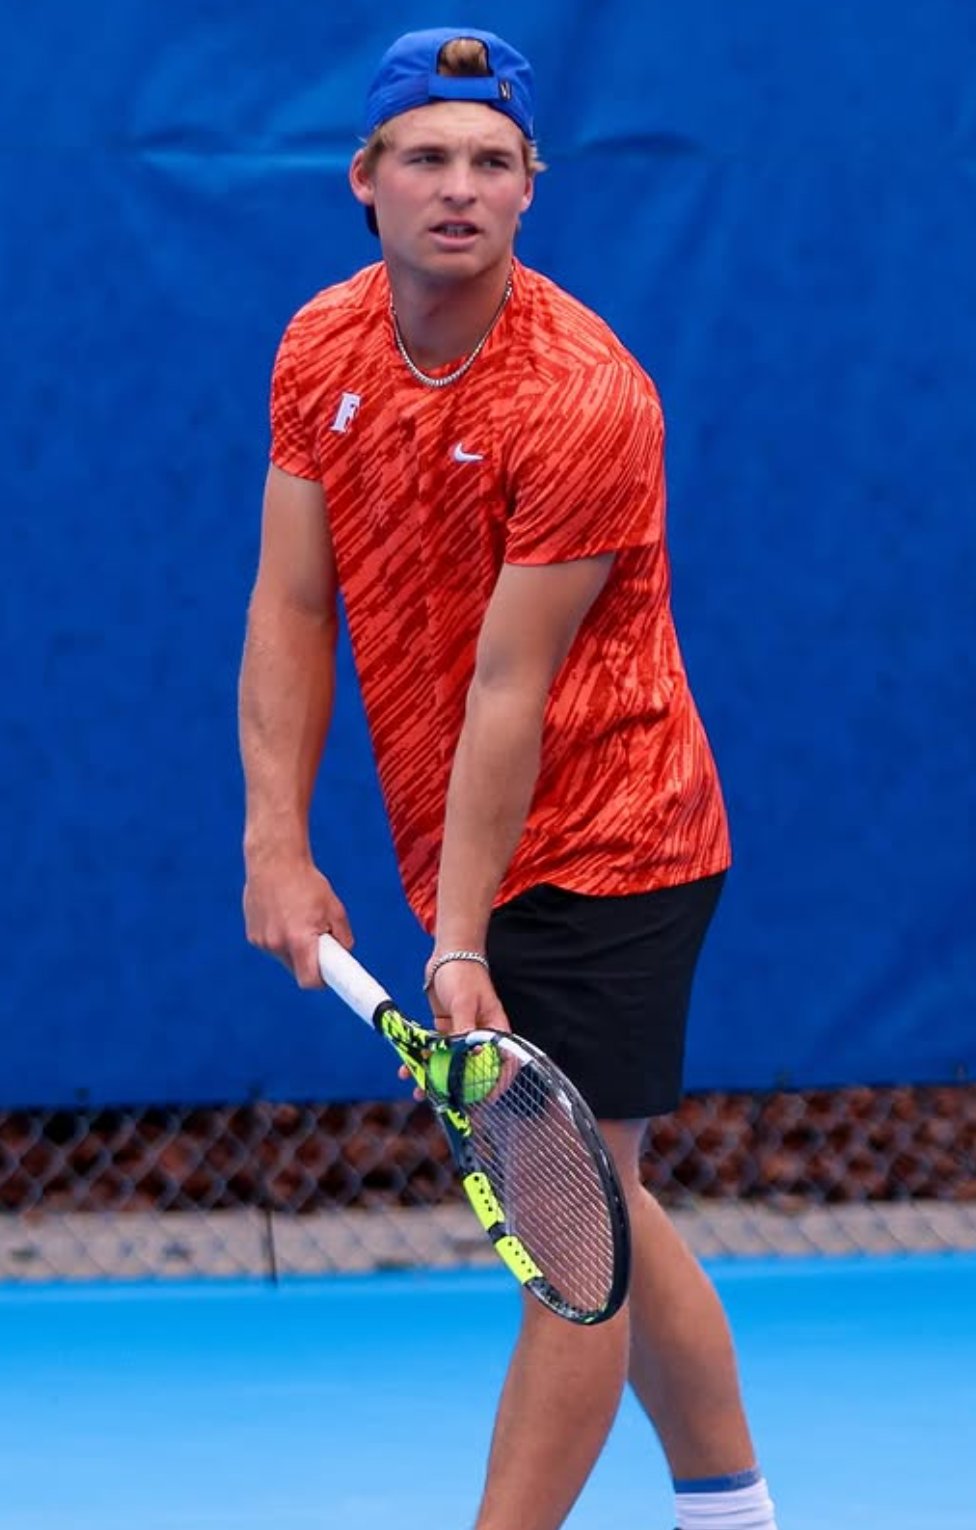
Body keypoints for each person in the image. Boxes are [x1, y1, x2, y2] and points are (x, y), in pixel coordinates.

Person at [239, 26, 778, 1530]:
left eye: (491, 161)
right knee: (610, 1212)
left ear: (532, 187)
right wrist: (274, 840)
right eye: (427, 157)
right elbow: (293, 602)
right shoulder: (320, 346)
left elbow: (508, 685)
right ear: (366, 179)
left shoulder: (586, 393)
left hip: (616, 838)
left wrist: (457, 939)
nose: (459, 187)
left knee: (565, 1241)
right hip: (468, 842)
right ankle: (735, 1514)